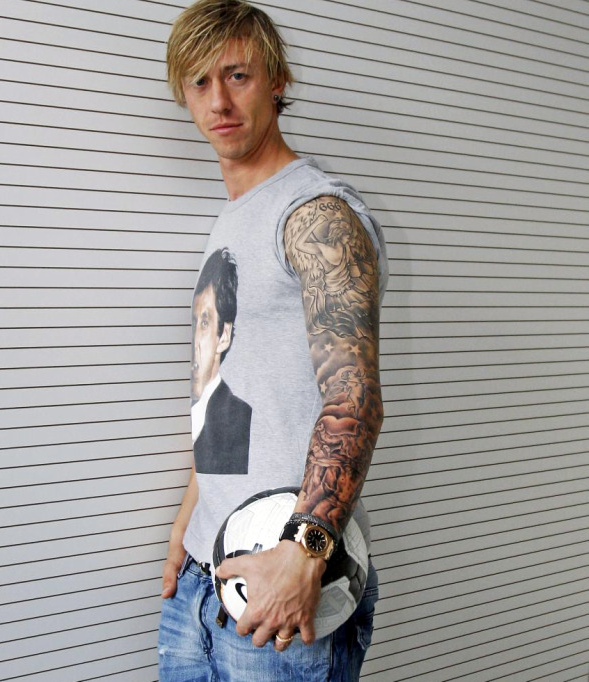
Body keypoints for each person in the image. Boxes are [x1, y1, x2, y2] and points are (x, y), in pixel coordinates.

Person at [158, 1, 389, 680]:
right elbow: (230, 394)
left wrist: (304, 552)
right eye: (200, 82)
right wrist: (187, 527)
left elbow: (355, 400)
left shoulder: (316, 215)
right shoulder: (232, 219)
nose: (219, 101)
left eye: (237, 76)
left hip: (284, 590)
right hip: (203, 577)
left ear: (277, 80)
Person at [191, 248, 252, 474]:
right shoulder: (197, 413)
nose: (195, 340)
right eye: (194, 322)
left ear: (224, 336)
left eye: (205, 323)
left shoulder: (239, 419)